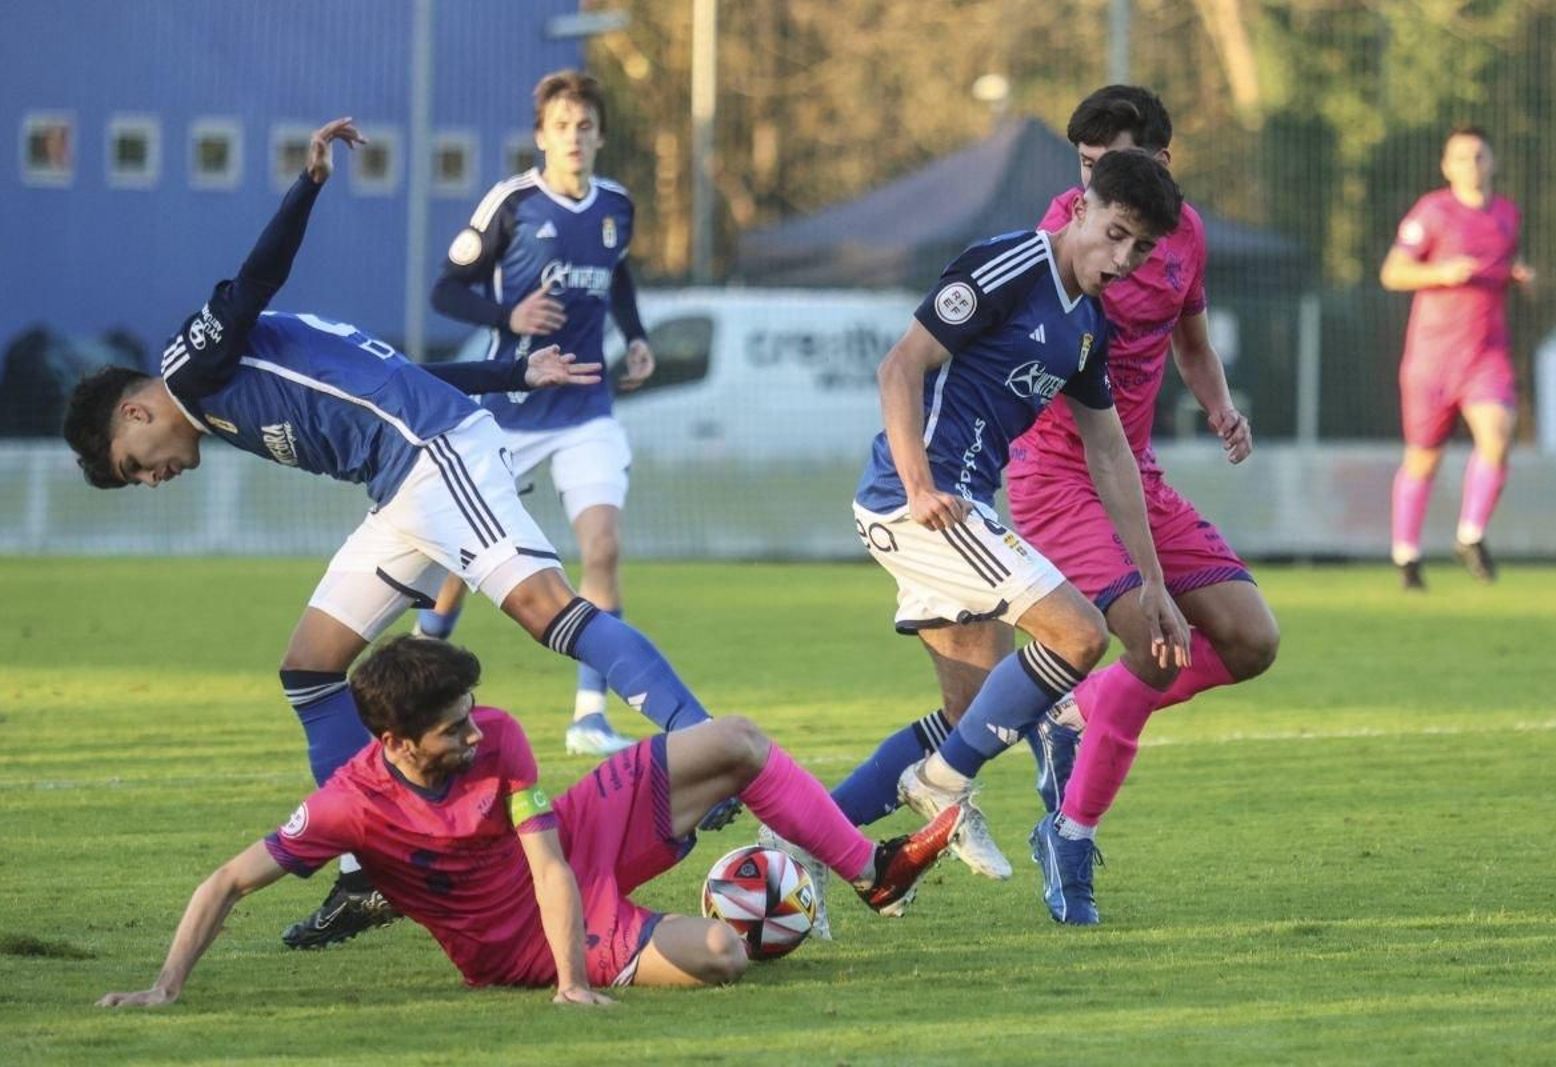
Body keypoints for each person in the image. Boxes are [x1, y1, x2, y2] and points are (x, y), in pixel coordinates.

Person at [62, 117, 734, 953]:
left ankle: (703, 741)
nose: (151, 476)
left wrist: (307, 182)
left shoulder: (190, 368)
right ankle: (367, 876)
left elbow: (252, 281)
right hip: (401, 484)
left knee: (549, 614)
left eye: (134, 463)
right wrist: (512, 371)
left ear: (135, 412)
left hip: (431, 454)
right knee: (309, 668)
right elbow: (390, 370)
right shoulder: (212, 403)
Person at [777, 149, 1191, 939]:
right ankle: (940, 785)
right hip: (923, 503)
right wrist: (920, 481)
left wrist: (1154, 581)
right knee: (1078, 634)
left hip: (951, 507)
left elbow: (1111, 455)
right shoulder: (1011, 264)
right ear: (1079, 209)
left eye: (1140, 249)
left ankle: (797, 840)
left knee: (970, 710)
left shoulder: (1085, 328)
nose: (1123, 259)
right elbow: (900, 366)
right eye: (1115, 235)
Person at [95, 637, 961, 1008]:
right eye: (453, 728)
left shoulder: (498, 734)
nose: (478, 731)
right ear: (395, 741)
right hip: (517, 942)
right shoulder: (344, 807)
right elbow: (226, 882)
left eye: (472, 713)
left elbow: (550, 859)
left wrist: (577, 987)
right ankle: (735, 921)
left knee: (732, 738)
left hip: (571, 848)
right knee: (726, 955)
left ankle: (869, 871)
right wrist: (165, 985)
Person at [1005, 86, 1280, 925]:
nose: (1089, 191)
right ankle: (1071, 833)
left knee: (1252, 638)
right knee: (1158, 647)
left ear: (1160, 162)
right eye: (1084, 171)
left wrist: (1219, 404)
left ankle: (1073, 711)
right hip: (1059, 479)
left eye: (1109, 167)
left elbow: (1191, 341)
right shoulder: (1065, 234)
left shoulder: (1179, 236)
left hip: (1137, 474)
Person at [418, 70, 655, 759]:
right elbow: (445, 288)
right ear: (541, 135)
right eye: (561, 126)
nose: (574, 138)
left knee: (602, 547)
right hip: (509, 410)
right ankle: (418, 668)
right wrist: (507, 313)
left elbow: (620, 275)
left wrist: (634, 337)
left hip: (586, 408)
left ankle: (589, 715)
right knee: (459, 559)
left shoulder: (617, 205)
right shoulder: (513, 202)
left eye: (585, 126)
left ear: (600, 134)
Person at [1380, 124, 1531, 591]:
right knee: (1423, 459)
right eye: (1462, 157)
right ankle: (1406, 556)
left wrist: (1522, 275)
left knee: (1499, 433)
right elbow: (1393, 272)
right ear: (1447, 166)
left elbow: (1506, 266)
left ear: (1493, 161)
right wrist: (1442, 272)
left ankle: (1471, 534)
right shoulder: (1432, 212)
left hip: (1486, 355)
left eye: (1480, 156)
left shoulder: (1507, 214)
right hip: (1431, 360)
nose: (1472, 164)